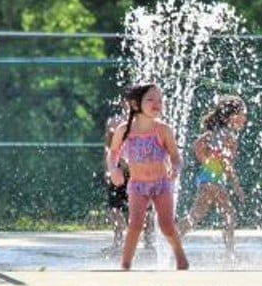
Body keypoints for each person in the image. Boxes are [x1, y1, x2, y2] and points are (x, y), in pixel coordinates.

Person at [107, 83, 190, 270]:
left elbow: (176, 157)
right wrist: (114, 169)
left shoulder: (163, 130)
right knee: (135, 225)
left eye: (160, 100)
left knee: (167, 226)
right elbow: (113, 153)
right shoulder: (124, 130)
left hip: (162, 184)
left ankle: (180, 257)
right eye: (151, 99)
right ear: (136, 105)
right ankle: (125, 264)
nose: (157, 103)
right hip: (137, 185)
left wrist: (176, 169)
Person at [180, 95, 248, 254]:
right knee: (230, 214)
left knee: (195, 216)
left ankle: (172, 239)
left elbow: (197, 145)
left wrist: (205, 160)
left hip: (207, 179)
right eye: (243, 114)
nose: (245, 118)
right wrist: (237, 187)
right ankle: (230, 253)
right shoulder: (229, 137)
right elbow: (227, 165)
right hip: (213, 181)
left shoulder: (215, 133)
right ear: (232, 116)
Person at [102, 99, 153, 255]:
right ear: (125, 103)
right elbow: (109, 148)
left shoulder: (147, 121)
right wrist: (108, 169)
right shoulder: (115, 122)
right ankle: (118, 240)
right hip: (120, 170)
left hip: (140, 170)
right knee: (114, 206)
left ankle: (148, 241)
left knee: (146, 207)